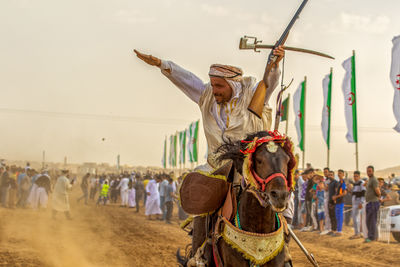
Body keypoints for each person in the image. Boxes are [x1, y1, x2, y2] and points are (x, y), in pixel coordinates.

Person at [134, 46, 284, 172]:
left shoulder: (252, 94)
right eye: (212, 85)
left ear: (233, 85)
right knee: (192, 190)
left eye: (219, 86)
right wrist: (161, 64)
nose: (214, 90)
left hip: (253, 168)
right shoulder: (207, 95)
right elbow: (186, 78)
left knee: (282, 202)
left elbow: (270, 83)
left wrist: (275, 65)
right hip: (216, 167)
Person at [365, 165, 380, 243]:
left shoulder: (374, 180)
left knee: (372, 221)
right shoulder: (369, 180)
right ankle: (371, 236)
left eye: (370, 171)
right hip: (369, 203)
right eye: (367, 171)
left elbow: (377, 191)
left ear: (373, 171)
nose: (368, 172)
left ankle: (372, 237)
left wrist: (378, 196)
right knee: (368, 221)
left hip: (373, 202)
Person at [349, 170, 366, 239]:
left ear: (359, 176)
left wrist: (361, 202)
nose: (355, 177)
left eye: (356, 176)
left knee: (356, 218)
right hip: (354, 202)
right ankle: (357, 233)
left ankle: (358, 233)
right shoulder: (355, 184)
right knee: (355, 218)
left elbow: (363, 193)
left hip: (358, 202)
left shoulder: (361, 183)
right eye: (354, 176)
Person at [332, 169, 347, 236]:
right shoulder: (339, 183)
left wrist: (337, 196)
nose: (339, 174)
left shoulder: (343, 183)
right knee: (337, 216)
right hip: (337, 201)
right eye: (338, 173)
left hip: (340, 201)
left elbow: (344, 192)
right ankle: (338, 230)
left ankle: (339, 230)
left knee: (340, 216)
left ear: (343, 174)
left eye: (340, 173)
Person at [327, 170, 338, 235]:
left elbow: (336, 191)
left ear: (333, 176)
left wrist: (335, 200)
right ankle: (332, 229)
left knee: (334, 216)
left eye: (331, 175)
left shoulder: (335, 182)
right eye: (329, 175)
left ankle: (335, 229)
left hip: (334, 201)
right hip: (330, 201)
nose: (330, 176)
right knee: (331, 216)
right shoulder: (330, 183)